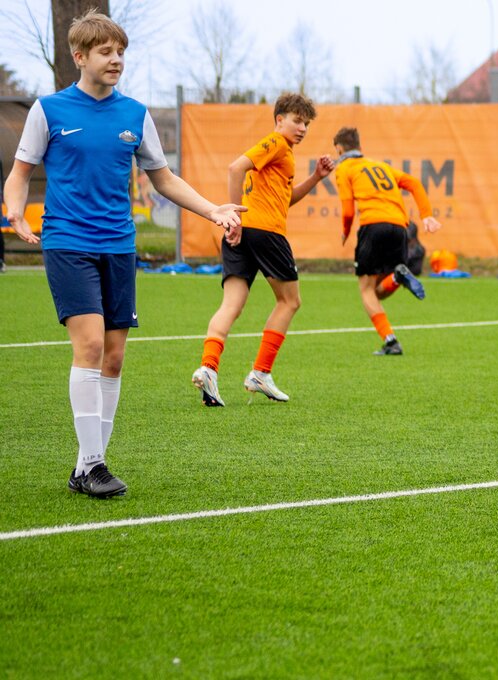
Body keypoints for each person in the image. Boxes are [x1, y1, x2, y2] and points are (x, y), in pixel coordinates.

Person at [3, 9, 245, 498]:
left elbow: (165, 179)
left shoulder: (135, 114)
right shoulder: (47, 110)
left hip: (118, 245)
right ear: (79, 57)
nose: (116, 60)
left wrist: (211, 210)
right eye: (105, 52)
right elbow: (20, 174)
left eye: (120, 53)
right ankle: (95, 465)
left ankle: (83, 469)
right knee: (90, 346)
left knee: (113, 358)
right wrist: (15, 213)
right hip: (68, 242)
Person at [191, 93, 334, 406]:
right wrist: (234, 217)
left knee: (232, 304)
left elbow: (285, 200)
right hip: (264, 232)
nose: (303, 128)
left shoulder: (283, 154)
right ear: (279, 120)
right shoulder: (277, 142)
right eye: (297, 121)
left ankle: (209, 368)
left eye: (307, 124)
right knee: (290, 301)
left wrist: (316, 177)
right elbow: (235, 168)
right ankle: (260, 372)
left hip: (244, 233)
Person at [332, 126, 441, 356]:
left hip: (373, 226)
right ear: (360, 147)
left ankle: (391, 341)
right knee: (378, 291)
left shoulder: (344, 168)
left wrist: (345, 231)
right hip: (400, 228)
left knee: (366, 290)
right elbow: (414, 183)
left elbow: (348, 211)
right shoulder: (381, 166)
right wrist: (426, 215)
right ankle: (397, 276)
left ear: (339, 149)